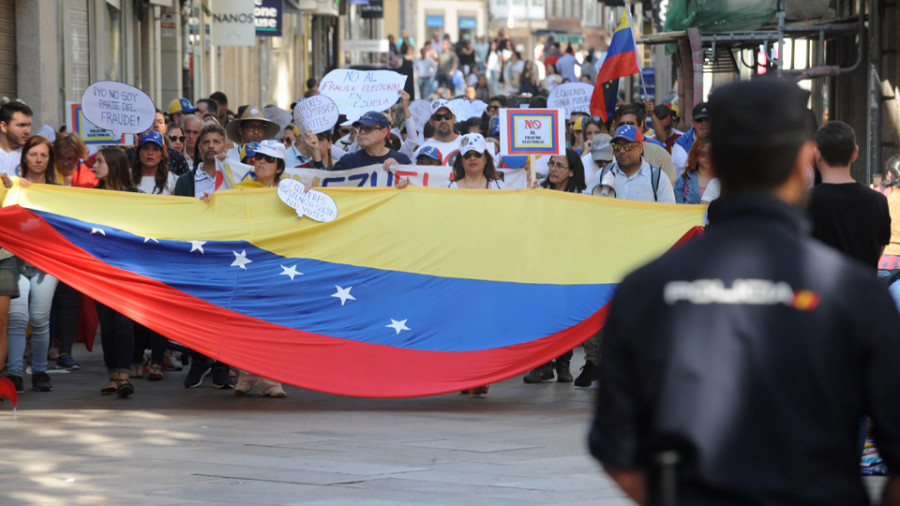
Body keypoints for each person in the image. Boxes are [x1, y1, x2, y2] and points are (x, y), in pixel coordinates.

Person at [589, 78, 900, 506]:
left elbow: (617, 451)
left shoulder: (646, 289)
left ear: (713, 162)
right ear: (802, 163)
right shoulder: (856, 295)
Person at [174, 124, 237, 389]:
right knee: (197, 311)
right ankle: (199, 361)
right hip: (196, 256)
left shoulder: (235, 178)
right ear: (199, 148)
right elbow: (176, 216)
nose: (211, 146)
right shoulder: (186, 181)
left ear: (225, 147)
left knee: (224, 311)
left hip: (227, 255)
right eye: (206, 142)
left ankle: (221, 364)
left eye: (216, 142)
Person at [522, 148, 586, 384]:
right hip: (542, 265)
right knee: (542, 316)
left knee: (565, 317)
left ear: (571, 172)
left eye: (559, 166)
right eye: (551, 164)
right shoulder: (540, 191)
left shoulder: (583, 196)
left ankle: (563, 364)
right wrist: (531, 199)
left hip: (571, 267)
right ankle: (542, 364)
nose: (553, 169)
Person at [6, 136, 58, 393]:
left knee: (39, 319)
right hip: (14, 261)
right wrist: (11, 187)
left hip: (46, 264)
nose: (38, 160)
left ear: (49, 160)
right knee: (17, 318)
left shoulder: (58, 191)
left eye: (44, 155)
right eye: (34, 154)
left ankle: (39, 370)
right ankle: (14, 373)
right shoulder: (12, 185)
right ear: (24, 157)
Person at [808, 121, 890, 270]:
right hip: (864, 289)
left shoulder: (803, 201)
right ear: (855, 153)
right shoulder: (878, 201)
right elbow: (879, 251)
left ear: (817, 153)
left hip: (820, 292)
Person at [91, 147, 139, 398]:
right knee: (107, 325)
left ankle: (124, 375)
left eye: (99, 161)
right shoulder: (91, 196)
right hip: (101, 270)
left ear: (113, 164)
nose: (94, 165)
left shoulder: (136, 196)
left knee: (124, 322)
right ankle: (113, 375)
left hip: (128, 270)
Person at [587, 124, 675, 203]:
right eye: (617, 146)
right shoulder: (603, 174)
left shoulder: (657, 177)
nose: (622, 151)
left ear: (640, 148)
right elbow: (585, 202)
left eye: (627, 146)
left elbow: (668, 213)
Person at [332, 112, 411, 170]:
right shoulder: (348, 161)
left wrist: (399, 171)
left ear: (384, 132)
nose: (362, 132)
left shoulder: (401, 160)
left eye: (368, 129)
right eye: (360, 129)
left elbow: (414, 187)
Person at [132, 131, 177, 195]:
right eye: (145, 148)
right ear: (139, 152)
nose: (150, 153)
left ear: (162, 155)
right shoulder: (126, 177)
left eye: (155, 149)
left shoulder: (174, 181)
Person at [673, 133, 713, 204]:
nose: (707, 157)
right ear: (695, 154)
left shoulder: (725, 181)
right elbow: (678, 211)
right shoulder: (682, 181)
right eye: (703, 153)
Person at [0, 98, 31, 176]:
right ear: (4, 126)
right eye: (21, 125)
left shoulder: (33, 157)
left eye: (29, 125)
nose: (27, 131)